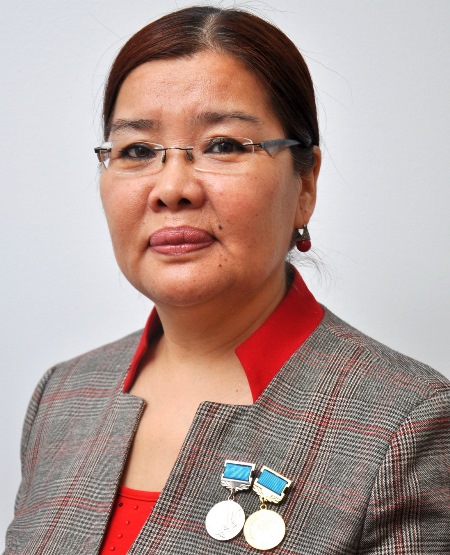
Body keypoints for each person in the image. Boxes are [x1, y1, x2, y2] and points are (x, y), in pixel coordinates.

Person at [4, 5, 449, 554]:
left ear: (305, 183)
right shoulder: (64, 396)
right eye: (137, 150)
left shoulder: (401, 422)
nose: (172, 189)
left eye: (223, 145)